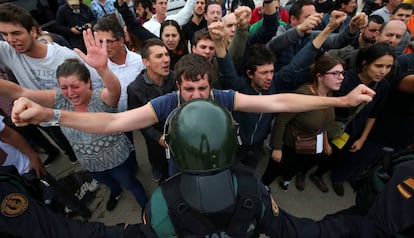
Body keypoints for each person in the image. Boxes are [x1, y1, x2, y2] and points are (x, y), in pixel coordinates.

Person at [4, 99, 414, 237]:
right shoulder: (253, 189)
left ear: (174, 149)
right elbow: (296, 230)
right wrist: (370, 220)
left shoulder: (161, 202)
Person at [0, 29, 148, 211]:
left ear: (88, 83)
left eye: (75, 86)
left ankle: (146, 210)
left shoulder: (101, 98)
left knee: (132, 184)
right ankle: (115, 191)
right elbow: (20, 92)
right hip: (90, 163)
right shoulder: (60, 100)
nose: (70, 93)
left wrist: (103, 69)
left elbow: (114, 89)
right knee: (110, 184)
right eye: (64, 87)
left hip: (118, 160)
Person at [0, 2, 103, 164]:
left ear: (33, 31)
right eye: (4, 35)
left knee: (96, 154)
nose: (10, 40)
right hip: (48, 121)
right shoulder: (9, 52)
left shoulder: (64, 57)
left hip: (76, 118)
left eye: (16, 33)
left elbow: (96, 90)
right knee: (75, 155)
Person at [309, 43, 394, 196]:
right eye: (379, 65)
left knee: (335, 155)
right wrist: (326, 139)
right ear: (365, 63)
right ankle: (301, 173)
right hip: (327, 125)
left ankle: (318, 175)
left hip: (350, 130)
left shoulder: (383, 86)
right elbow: (325, 108)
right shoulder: (345, 79)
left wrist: (362, 139)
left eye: (388, 67)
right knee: (315, 151)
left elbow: (373, 114)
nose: (383, 71)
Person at [261, 53, 345, 192]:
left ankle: (287, 179)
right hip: (291, 144)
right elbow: (281, 121)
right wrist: (277, 148)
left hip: (312, 143)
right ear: (320, 76)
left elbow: (323, 123)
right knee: (277, 166)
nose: (341, 77)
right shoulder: (302, 95)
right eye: (335, 73)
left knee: (299, 165)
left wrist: (325, 144)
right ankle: (264, 185)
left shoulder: (330, 95)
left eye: (342, 73)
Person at [127, 38, 176, 183]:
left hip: (177, 134)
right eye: (159, 56)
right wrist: (158, 137)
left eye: (166, 55)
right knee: (161, 167)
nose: (166, 60)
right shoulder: (135, 89)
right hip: (155, 142)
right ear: (146, 62)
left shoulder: (175, 77)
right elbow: (139, 122)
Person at [93, 13, 145, 112]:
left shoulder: (139, 62)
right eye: (100, 42)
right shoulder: (96, 68)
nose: (104, 46)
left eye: (109, 41)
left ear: (121, 41)